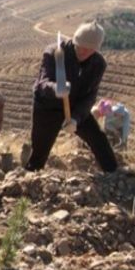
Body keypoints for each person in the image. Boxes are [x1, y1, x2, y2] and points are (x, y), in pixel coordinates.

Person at [27, 21, 117, 172]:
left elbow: (90, 96)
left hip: (75, 106)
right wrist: (56, 89)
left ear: (96, 49)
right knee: (40, 149)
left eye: (89, 50)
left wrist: (75, 118)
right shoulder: (54, 52)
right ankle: (32, 175)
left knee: (98, 139)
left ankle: (113, 172)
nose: (83, 52)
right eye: (80, 46)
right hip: (48, 106)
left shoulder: (98, 64)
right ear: (75, 40)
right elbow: (42, 84)